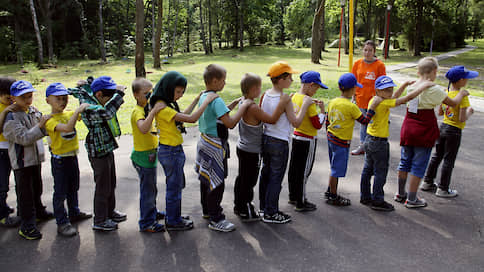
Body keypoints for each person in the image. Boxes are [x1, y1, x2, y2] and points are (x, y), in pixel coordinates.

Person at [395, 57, 469, 209]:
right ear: (434, 72)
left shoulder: (412, 86)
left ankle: (400, 193)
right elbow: (453, 104)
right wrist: (462, 94)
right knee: (418, 165)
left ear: (418, 71)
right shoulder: (434, 89)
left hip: (408, 126)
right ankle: (412, 198)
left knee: (405, 161)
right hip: (424, 129)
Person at [151, 71, 219, 231]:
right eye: (178, 92)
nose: (181, 95)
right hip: (170, 152)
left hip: (173, 150)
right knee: (174, 188)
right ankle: (173, 221)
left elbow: (185, 114)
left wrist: (196, 99)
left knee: (176, 186)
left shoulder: (167, 104)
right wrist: (206, 101)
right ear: (168, 88)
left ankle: (174, 215)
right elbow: (192, 119)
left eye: (183, 92)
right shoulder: (163, 108)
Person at [360, 76, 434, 212]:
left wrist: (405, 84)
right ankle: (377, 200)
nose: (390, 92)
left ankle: (365, 196)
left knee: (367, 169)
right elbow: (404, 99)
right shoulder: (383, 103)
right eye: (386, 90)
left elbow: (394, 96)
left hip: (369, 139)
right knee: (380, 172)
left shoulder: (375, 100)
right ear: (378, 91)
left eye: (391, 89)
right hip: (379, 143)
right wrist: (422, 87)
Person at [194, 64, 251, 232]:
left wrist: (232, 104)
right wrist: (243, 106)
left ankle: (207, 210)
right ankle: (216, 218)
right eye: (223, 80)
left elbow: (216, 114)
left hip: (204, 142)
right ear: (214, 80)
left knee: (206, 179)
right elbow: (230, 123)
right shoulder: (216, 100)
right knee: (216, 182)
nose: (225, 83)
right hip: (215, 145)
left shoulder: (205, 96)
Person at [69, 76, 126, 230]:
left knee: (111, 182)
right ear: (99, 94)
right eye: (108, 98)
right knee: (102, 186)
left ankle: (110, 212)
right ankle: (100, 220)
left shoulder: (95, 97)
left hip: (106, 148)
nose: (109, 101)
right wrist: (119, 96)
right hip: (98, 151)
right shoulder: (87, 107)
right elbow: (107, 113)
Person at [259, 61, 313, 224]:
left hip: (266, 139)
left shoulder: (266, 94)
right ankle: (271, 212)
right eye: (290, 77)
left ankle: (264, 207)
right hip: (280, 142)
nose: (292, 80)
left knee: (266, 174)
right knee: (276, 177)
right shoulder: (285, 99)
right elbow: (295, 122)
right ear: (281, 79)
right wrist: (305, 105)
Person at [233, 73, 292, 222]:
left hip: (243, 147)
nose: (261, 90)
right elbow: (272, 119)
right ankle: (245, 209)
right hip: (251, 151)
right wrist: (283, 101)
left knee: (242, 178)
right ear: (253, 89)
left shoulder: (243, 101)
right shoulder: (252, 107)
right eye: (259, 88)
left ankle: (239, 205)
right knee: (249, 181)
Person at [3, 80, 54, 240]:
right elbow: (23, 138)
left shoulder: (32, 111)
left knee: (36, 188)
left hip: (35, 160)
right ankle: (27, 225)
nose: (27, 100)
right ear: (13, 98)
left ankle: (39, 211)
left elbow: (44, 128)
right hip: (22, 162)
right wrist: (40, 126)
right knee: (25, 195)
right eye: (23, 97)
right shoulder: (11, 117)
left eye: (30, 96)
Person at [324, 73, 381, 206]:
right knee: (336, 170)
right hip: (341, 142)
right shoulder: (351, 107)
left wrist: (329, 133)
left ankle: (330, 189)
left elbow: (327, 120)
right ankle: (333, 195)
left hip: (331, 138)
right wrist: (372, 109)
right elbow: (364, 121)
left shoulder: (333, 101)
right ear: (353, 89)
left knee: (334, 166)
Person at [422, 66, 478, 198]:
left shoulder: (445, 93)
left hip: (443, 128)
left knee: (437, 156)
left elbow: (440, 112)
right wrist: (470, 112)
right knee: (448, 160)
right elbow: (462, 118)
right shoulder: (462, 96)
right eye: (466, 78)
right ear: (460, 80)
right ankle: (443, 188)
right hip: (454, 131)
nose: (467, 81)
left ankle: (427, 181)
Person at [44, 83, 93, 236]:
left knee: (73, 187)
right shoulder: (49, 120)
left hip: (72, 157)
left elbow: (86, 107)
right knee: (60, 192)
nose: (62, 102)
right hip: (59, 161)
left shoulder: (69, 113)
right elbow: (67, 129)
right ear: (48, 101)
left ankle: (74, 212)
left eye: (64, 98)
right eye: (57, 99)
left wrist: (84, 89)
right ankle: (62, 222)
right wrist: (77, 111)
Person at [130, 77, 166, 233]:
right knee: (148, 191)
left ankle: (151, 212)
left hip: (149, 155)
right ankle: (146, 222)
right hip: (143, 157)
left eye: (151, 93)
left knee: (151, 189)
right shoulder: (137, 112)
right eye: (146, 94)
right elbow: (143, 128)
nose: (149, 97)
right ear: (136, 95)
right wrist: (153, 111)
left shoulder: (145, 108)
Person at [287, 71, 326, 212]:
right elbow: (317, 124)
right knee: (304, 171)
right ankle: (301, 201)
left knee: (294, 169)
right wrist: (323, 111)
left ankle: (293, 195)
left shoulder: (294, 96)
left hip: (296, 137)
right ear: (311, 85)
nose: (316, 91)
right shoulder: (308, 102)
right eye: (316, 87)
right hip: (308, 139)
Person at [351, 40, 386, 155]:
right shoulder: (357, 63)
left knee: (373, 123)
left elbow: (382, 83)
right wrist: (353, 96)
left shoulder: (379, 65)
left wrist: (381, 97)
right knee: (363, 124)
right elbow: (353, 81)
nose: (367, 52)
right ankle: (363, 146)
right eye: (365, 50)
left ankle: (371, 146)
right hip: (361, 98)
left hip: (374, 101)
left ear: (374, 52)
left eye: (370, 50)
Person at [0, 77, 20, 227]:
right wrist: (6, 111)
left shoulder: (13, 105)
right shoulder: (3, 108)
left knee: (18, 181)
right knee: (2, 185)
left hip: (14, 148)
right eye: (8, 98)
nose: (11, 101)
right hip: (2, 151)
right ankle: (2, 215)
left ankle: (5, 208)